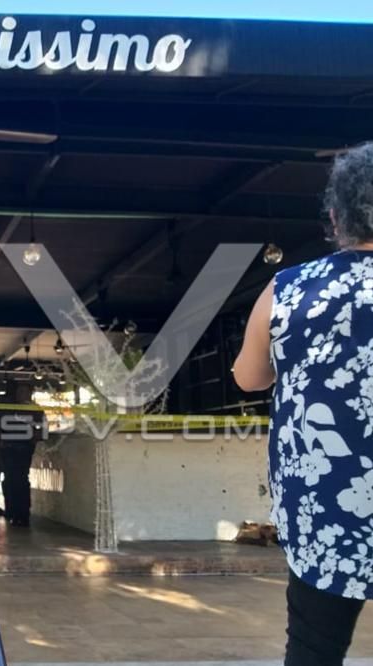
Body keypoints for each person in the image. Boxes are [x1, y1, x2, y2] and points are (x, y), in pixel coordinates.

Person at [234, 144, 373, 666]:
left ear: (336, 217)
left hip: (326, 503)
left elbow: (248, 378)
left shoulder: (289, 289)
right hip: (327, 500)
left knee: (314, 650)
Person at [0, 379, 46, 528]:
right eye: (19, 391)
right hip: (8, 448)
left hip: (23, 448)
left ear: (30, 394)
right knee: (10, 480)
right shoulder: (10, 408)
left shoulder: (35, 410)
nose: (21, 394)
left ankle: (22, 514)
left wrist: (33, 438)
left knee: (21, 480)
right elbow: (0, 429)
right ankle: (12, 511)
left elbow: (42, 429)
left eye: (24, 392)